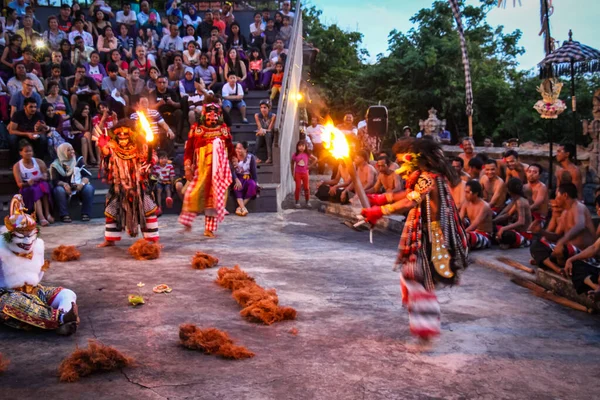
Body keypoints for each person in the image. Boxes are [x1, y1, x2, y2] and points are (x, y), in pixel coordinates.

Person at [361, 138, 468, 340]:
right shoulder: (423, 176)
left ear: (414, 158)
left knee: (416, 276)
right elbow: (409, 193)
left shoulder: (428, 178)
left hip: (431, 234)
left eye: (403, 162)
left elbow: (412, 200)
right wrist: (383, 198)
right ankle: (422, 321)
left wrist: (381, 210)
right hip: (423, 229)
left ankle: (426, 327)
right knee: (410, 274)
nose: (401, 166)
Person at [0, 194, 79, 335]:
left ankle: (65, 318)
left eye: (32, 236)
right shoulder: (1, 250)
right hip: (7, 295)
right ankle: (61, 318)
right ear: (10, 235)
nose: (28, 242)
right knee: (12, 301)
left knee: (67, 293)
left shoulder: (38, 246)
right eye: (21, 237)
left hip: (35, 291)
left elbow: (38, 274)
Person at [97, 119, 159, 247]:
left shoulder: (140, 146)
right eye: (120, 136)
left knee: (148, 210)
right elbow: (106, 159)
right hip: (119, 187)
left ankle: (152, 239)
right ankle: (110, 239)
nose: (123, 138)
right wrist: (104, 150)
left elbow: (153, 156)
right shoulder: (113, 147)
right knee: (112, 210)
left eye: (126, 136)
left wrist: (149, 162)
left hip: (138, 186)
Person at [179, 100, 233, 238]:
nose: (212, 117)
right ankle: (187, 221)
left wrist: (234, 160)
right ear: (204, 115)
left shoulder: (223, 129)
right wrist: (187, 167)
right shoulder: (197, 129)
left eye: (215, 114)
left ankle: (209, 229)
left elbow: (230, 147)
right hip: (200, 169)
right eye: (209, 114)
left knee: (213, 200)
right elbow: (189, 149)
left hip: (218, 172)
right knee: (191, 193)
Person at [529, 183, 595, 274]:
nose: (556, 199)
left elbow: (580, 225)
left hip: (582, 252)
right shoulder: (565, 213)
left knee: (560, 250)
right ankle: (558, 267)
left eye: (557, 195)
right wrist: (541, 231)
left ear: (565, 195)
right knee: (536, 245)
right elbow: (557, 236)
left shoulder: (579, 207)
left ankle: (548, 261)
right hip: (566, 250)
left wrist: (562, 241)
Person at [50, 143, 94, 223]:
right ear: (62, 152)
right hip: (65, 189)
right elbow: (54, 180)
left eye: (72, 149)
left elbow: (87, 175)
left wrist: (82, 184)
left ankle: (86, 214)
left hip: (78, 187)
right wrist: (64, 184)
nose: (72, 151)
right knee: (59, 190)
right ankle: (64, 215)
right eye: (68, 150)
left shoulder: (78, 160)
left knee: (89, 188)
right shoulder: (56, 164)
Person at [13, 140, 53, 225]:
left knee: (44, 186)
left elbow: (46, 176)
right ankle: (41, 217)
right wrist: (27, 183)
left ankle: (47, 214)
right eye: (26, 151)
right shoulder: (17, 166)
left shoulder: (39, 162)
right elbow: (19, 184)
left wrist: (45, 176)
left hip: (40, 184)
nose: (29, 153)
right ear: (21, 153)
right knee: (35, 190)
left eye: (30, 151)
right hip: (27, 187)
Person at [493, 178, 532, 249]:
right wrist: (493, 221)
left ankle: (507, 242)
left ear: (509, 190)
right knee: (492, 227)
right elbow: (508, 214)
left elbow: (521, 222)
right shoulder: (516, 200)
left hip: (524, 235)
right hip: (516, 232)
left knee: (506, 234)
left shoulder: (520, 201)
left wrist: (503, 229)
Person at [8, 97, 48, 162]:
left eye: (35, 107)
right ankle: (14, 162)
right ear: (25, 107)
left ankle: (40, 161)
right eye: (31, 107)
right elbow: (11, 131)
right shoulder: (17, 115)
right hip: (21, 135)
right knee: (12, 138)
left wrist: (36, 133)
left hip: (34, 135)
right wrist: (27, 134)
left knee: (43, 138)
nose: (33, 109)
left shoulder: (39, 115)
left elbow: (43, 130)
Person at [460, 180, 493, 250]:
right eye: (465, 192)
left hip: (485, 235)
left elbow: (475, 223)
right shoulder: (466, 203)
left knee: (466, 236)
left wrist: (461, 234)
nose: (465, 194)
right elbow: (459, 218)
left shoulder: (484, 206)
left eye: (468, 192)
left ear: (476, 193)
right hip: (473, 232)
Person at [150, 75, 182, 145]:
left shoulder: (172, 92)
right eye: (160, 82)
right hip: (159, 116)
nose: (162, 84)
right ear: (156, 83)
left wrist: (172, 103)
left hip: (171, 114)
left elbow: (179, 105)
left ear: (167, 83)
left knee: (179, 112)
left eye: (164, 82)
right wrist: (159, 104)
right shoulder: (153, 93)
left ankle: (178, 137)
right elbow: (150, 107)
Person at [232, 141, 258, 216]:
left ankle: (240, 207)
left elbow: (253, 171)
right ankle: (243, 208)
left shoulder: (251, 157)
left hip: (247, 178)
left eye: (240, 148)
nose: (238, 150)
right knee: (237, 188)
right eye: (237, 148)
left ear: (245, 149)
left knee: (252, 185)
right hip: (237, 178)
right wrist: (236, 180)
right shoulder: (233, 157)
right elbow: (232, 170)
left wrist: (256, 182)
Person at [292, 139, 316, 208]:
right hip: (297, 173)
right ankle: (297, 202)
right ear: (297, 147)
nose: (301, 147)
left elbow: (315, 159)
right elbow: (292, 163)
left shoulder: (307, 154)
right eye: (299, 146)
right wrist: (292, 173)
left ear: (305, 146)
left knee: (306, 188)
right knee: (298, 187)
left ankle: (307, 201)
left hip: (305, 173)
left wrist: (310, 166)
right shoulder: (295, 155)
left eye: (303, 146)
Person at [152, 151, 175, 216]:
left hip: (167, 181)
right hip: (159, 182)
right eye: (162, 158)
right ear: (158, 160)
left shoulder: (170, 166)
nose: (164, 160)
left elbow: (172, 176)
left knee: (168, 189)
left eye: (165, 158)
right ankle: (159, 206)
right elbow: (154, 176)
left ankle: (169, 199)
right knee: (159, 190)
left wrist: (172, 185)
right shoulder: (156, 167)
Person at [254, 99, 275, 164]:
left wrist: (264, 131)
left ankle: (270, 157)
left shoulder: (273, 116)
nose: (263, 109)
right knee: (259, 135)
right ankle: (254, 155)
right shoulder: (257, 115)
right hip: (261, 133)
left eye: (265, 107)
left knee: (267, 135)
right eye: (261, 108)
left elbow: (269, 129)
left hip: (269, 134)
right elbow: (260, 127)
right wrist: (261, 131)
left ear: (269, 108)